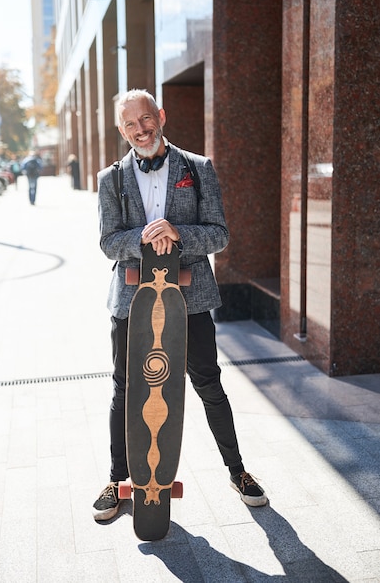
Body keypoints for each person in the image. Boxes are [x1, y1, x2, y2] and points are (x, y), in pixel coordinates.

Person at [93, 89, 267, 521]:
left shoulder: (198, 168)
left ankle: (238, 471)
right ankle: (118, 481)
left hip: (191, 299)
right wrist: (142, 238)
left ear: (162, 116)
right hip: (131, 302)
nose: (140, 129)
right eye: (130, 124)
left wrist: (179, 233)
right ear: (121, 129)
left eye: (146, 119)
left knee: (208, 383)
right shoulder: (109, 179)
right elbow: (108, 242)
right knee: (125, 389)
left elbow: (219, 234)